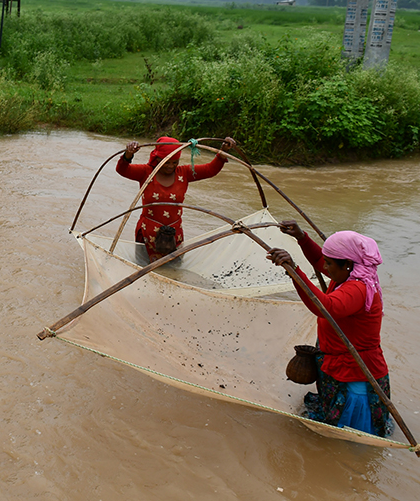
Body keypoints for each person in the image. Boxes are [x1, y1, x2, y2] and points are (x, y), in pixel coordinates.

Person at [266, 221, 390, 436]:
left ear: (347, 265)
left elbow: (324, 308)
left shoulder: (357, 288)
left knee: (349, 437)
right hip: (337, 361)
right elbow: (318, 260)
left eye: (330, 264)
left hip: (353, 372)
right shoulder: (348, 274)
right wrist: (302, 238)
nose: (324, 267)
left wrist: (295, 271)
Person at [116, 136, 237, 261]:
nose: (170, 166)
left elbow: (210, 170)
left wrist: (223, 152)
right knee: (143, 269)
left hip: (174, 235)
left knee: (173, 270)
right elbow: (122, 170)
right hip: (148, 235)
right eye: (166, 162)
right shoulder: (146, 172)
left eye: (175, 162)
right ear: (157, 158)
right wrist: (128, 155)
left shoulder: (184, 173)